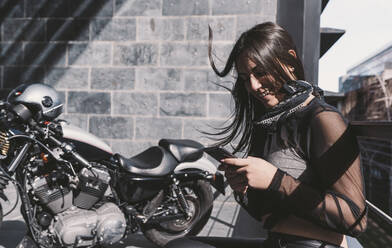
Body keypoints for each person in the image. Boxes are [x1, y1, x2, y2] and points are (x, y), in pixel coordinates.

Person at [165, 22, 367, 248]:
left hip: (315, 245)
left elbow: (355, 220)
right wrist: (244, 189)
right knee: (180, 245)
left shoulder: (323, 120)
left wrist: (275, 180)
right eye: (244, 78)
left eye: (260, 72)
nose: (253, 85)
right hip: (276, 241)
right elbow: (266, 215)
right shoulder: (273, 121)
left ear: (290, 60)